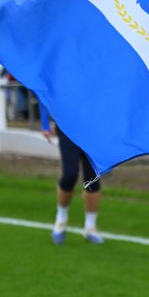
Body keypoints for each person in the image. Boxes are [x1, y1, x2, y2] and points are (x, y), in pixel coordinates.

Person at [40, 104, 103, 245]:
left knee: (93, 177)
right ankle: (61, 220)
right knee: (70, 174)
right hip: (67, 124)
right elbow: (45, 87)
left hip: (93, 126)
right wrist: (45, 123)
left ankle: (90, 227)